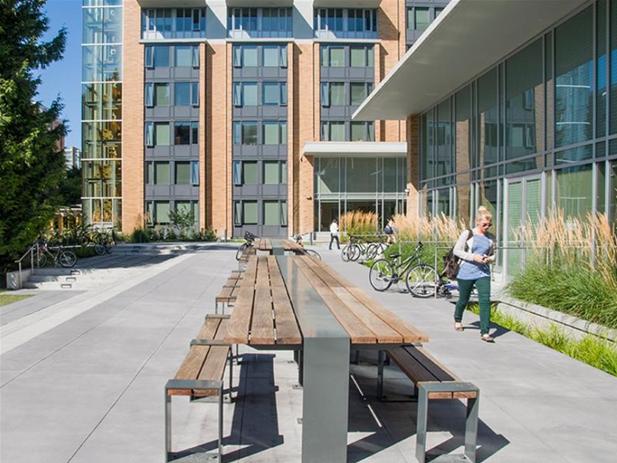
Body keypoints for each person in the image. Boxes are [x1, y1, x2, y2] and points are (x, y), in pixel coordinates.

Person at [452, 206, 496, 342]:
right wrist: (473, 257)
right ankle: (458, 319)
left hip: (483, 272)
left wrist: (489, 259)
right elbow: (456, 251)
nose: (487, 227)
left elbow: (494, 255)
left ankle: (485, 332)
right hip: (466, 272)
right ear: (477, 222)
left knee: (485, 300)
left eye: (489, 225)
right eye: (484, 224)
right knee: (463, 299)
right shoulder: (468, 234)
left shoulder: (491, 238)